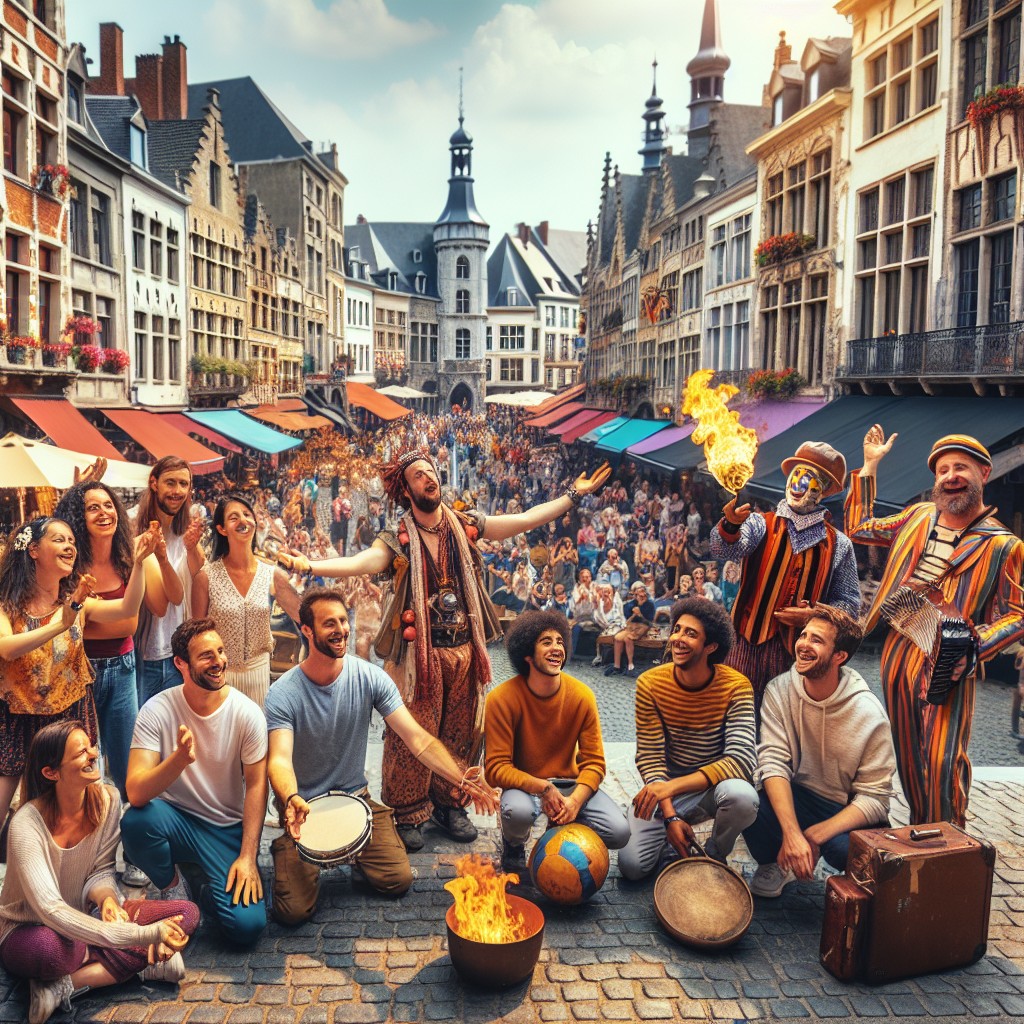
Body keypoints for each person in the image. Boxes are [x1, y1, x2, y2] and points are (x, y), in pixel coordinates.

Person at [287, 449, 610, 851]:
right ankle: (407, 811)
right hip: (417, 656)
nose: (429, 478)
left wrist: (572, 497)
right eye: (419, 475)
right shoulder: (398, 537)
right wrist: (311, 567)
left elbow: (524, 520)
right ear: (406, 489)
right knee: (411, 734)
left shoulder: (466, 524)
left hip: (464, 650)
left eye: (431, 472)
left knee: (461, 734)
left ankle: (450, 803)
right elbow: (363, 562)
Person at [264, 588, 498, 924]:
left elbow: (418, 739)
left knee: (396, 881)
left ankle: (356, 853)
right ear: (307, 630)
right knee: (292, 913)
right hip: (303, 808)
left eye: (344, 620)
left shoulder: (369, 676)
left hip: (356, 800)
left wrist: (462, 777)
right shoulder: (283, 693)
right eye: (329, 623)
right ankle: (289, 849)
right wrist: (290, 798)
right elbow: (279, 760)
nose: (341, 630)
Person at [845, 429, 1024, 827]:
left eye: (960, 467)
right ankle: (921, 833)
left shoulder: (1004, 545)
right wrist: (870, 465)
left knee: (943, 759)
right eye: (943, 470)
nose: (950, 475)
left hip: (950, 661)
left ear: (984, 472)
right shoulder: (916, 515)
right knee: (908, 755)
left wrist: (975, 646)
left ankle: (947, 842)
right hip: (898, 647)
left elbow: (1018, 614)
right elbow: (858, 527)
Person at [0, 721, 198, 1023]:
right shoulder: (26, 824)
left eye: (92, 745)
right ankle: (145, 963)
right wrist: (145, 936)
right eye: (81, 752)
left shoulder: (107, 799)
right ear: (51, 772)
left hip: (87, 917)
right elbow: (51, 909)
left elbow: (101, 870)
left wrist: (106, 899)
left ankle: (66, 985)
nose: (93, 754)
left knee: (186, 913)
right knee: (56, 950)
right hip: (29, 928)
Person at [0, 518, 159, 832]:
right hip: (18, 715)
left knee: (73, 809)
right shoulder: (7, 606)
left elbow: (128, 609)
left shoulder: (77, 602)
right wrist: (60, 623)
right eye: (59, 539)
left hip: (71, 715)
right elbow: (6, 648)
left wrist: (139, 564)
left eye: (71, 540)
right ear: (33, 550)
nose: (70, 546)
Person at [121, 619, 268, 945]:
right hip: (174, 821)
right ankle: (174, 888)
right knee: (135, 822)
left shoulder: (247, 713)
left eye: (220, 651)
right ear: (181, 663)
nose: (218, 661)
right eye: (206, 656)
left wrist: (247, 856)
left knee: (247, 928)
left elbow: (257, 786)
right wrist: (178, 761)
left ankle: (206, 880)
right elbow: (135, 791)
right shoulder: (156, 710)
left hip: (226, 828)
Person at [742, 606, 896, 897]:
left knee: (843, 850)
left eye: (817, 640)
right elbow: (772, 761)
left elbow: (875, 799)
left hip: (842, 805)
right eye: (804, 635)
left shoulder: (869, 714)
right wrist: (791, 833)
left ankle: (846, 883)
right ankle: (775, 862)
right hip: (798, 794)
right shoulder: (780, 689)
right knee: (747, 801)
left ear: (840, 656)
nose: (803, 645)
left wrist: (812, 835)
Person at [53, 482, 184, 800]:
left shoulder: (131, 557)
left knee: (128, 761)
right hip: (77, 671)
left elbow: (151, 610)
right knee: (80, 760)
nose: (103, 512)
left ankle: (133, 831)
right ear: (78, 517)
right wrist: (88, 622)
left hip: (123, 668)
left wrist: (160, 559)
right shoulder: (69, 561)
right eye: (92, 507)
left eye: (108, 505)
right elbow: (68, 626)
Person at [710, 441, 860, 710]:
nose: (799, 482)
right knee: (736, 717)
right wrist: (730, 525)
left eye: (809, 477)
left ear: (824, 489)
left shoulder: (839, 544)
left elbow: (849, 603)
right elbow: (725, 549)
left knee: (788, 726)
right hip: (745, 645)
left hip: (799, 655)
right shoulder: (760, 523)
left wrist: (815, 615)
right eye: (797, 473)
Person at [618, 597, 758, 879]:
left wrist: (669, 789)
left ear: (711, 647)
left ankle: (714, 854)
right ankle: (671, 836)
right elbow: (650, 757)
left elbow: (741, 760)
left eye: (690, 634)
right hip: (666, 792)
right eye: (678, 630)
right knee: (632, 868)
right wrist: (669, 814)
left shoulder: (736, 686)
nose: (678, 639)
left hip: (710, 790)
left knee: (743, 797)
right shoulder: (650, 683)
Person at [484, 611, 630, 872]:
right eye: (546, 641)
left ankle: (569, 829)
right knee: (516, 812)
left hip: (570, 784)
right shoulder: (501, 698)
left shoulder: (582, 695)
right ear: (527, 654)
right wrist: (542, 788)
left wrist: (574, 801)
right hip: (526, 786)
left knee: (619, 832)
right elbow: (495, 769)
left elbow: (595, 764)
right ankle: (514, 845)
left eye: (560, 641)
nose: (556, 648)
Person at [191, 495, 300, 707]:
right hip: (219, 678)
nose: (243, 521)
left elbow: (302, 616)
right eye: (234, 517)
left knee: (257, 737)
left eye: (247, 515)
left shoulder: (272, 574)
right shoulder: (206, 577)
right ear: (222, 529)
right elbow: (197, 637)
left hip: (259, 676)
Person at [130, 457, 206, 705]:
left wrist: (193, 548)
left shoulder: (187, 530)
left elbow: (196, 574)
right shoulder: (132, 526)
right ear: (154, 483)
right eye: (170, 483)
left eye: (183, 484)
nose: (177, 491)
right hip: (141, 652)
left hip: (178, 654)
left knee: (176, 730)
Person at [604, 581, 655, 677]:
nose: (641, 595)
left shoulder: (650, 604)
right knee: (618, 638)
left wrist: (640, 614)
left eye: (642, 592)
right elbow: (627, 618)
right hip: (631, 626)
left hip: (644, 626)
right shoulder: (631, 604)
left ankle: (631, 666)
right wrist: (633, 613)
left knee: (628, 638)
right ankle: (617, 666)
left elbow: (650, 622)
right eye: (637, 593)